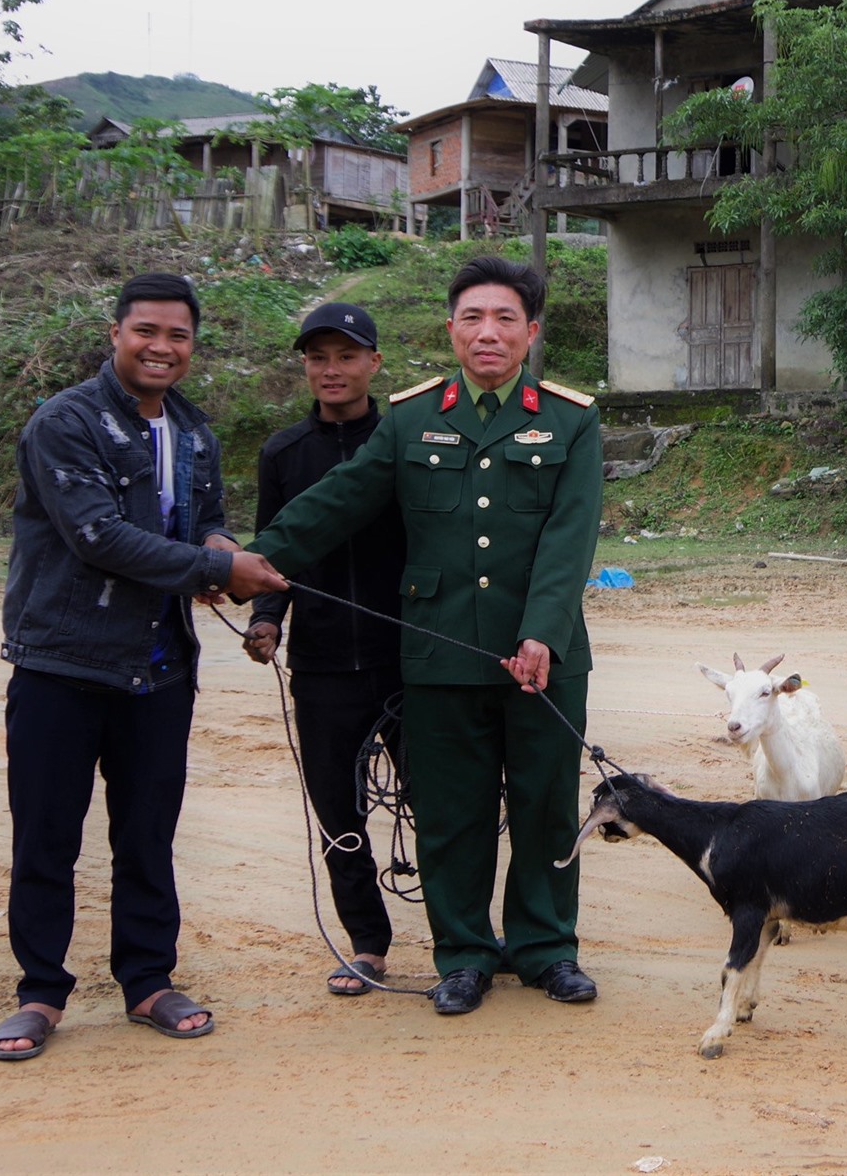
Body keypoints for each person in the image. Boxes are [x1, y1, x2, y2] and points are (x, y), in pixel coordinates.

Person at [247, 256, 603, 1016]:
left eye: (506, 319)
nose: (488, 333)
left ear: (530, 332)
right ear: (451, 329)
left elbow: (568, 539)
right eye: (473, 317)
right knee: (451, 810)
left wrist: (542, 632)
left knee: (543, 803)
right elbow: (339, 500)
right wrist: (257, 559)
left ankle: (545, 948)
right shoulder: (411, 418)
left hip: (545, 656)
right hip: (440, 649)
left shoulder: (571, 420)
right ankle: (465, 954)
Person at [0, 273, 288, 1060]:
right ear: (116, 333)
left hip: (159, 670)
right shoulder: (66, 422)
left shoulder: (193, 433)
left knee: (148, 836)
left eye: (178, 336)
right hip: (62, 661)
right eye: (146, 332)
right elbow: (98, 537)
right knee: (46, 835)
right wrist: (218, 570)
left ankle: (149, 981)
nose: (161, 348)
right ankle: (41, 992)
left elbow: (208, 521)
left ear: (193, 344)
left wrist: (222, 548)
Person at [243, 302, 410, 996]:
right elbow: (272, 551)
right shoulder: (285, 454)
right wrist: (267, 618)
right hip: (320, 665)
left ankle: (466, 937)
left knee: (438, 805)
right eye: (318, 357)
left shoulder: (406, 438)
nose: (331, 370)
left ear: (373, 362)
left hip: (405, 659)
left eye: (346, 356)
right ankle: (367, 944)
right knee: (339, 816)